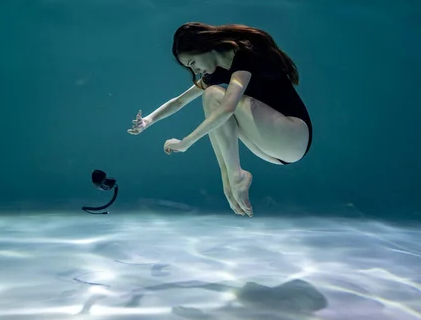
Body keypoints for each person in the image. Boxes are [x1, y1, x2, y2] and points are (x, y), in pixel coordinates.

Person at [128, 22, 312, 218]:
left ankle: (234, 174)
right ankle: (228, 177)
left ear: (202, 48)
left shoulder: (244, 56)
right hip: (273, 150)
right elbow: (179, 101)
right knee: (211, 96)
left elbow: (228, 107)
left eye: (192, 63)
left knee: (214, 96)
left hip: (294, 135)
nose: (197, 70)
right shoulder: (218, 72)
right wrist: (147, 121)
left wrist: (185, 142)